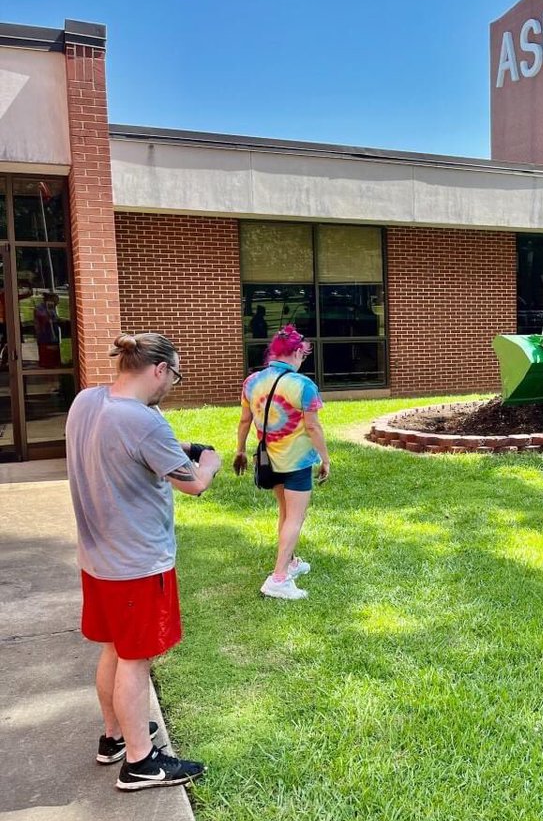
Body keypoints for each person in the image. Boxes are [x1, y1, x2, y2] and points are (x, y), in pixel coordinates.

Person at [66, 333, 220, 791]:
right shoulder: (143, 421)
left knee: (114, 649)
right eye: (175, 376)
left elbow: (133, 446)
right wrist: (208, 462)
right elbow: (193, 484)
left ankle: (114, 736)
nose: (172, 385)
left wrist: (181, 445)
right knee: (136, 660)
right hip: (137, 564)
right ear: (159, 370)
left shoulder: (87, 401)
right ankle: (140, 762)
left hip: (97, 559)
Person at [233, 325, 330, 600]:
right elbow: (313, 427)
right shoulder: (303, 385)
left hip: (268, 460)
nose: (303, 360)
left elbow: (244, 421)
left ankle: (291, 562)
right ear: (297, 352)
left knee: (285, 514)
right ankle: (278, 578)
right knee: (295, 518)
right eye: (303, 355)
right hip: (296, 462)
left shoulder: (251, 382)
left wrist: (240, 450)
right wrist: (326, 459)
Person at [34, 292, 61, 368]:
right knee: (46, 347)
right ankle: (46, 363)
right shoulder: (40, 308)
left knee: (54, 347)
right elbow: (40, 318)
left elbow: (55, 318)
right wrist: (47, 316)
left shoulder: (52, 308)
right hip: (44, 331)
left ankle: (54, 362)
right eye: (55, 301)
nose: (57, 303)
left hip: (52, 330)